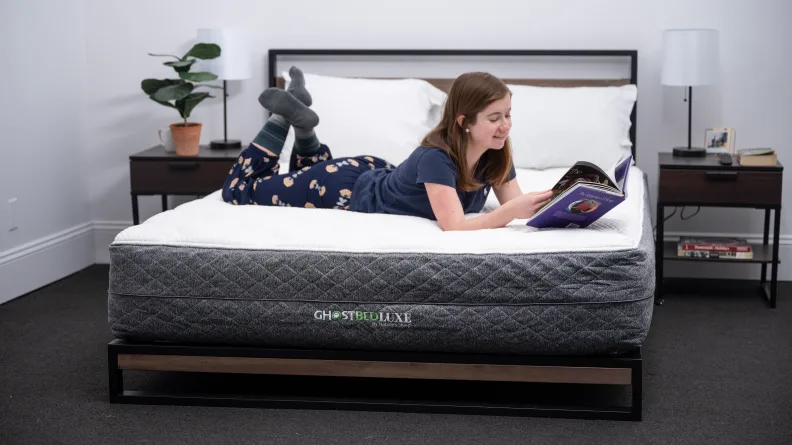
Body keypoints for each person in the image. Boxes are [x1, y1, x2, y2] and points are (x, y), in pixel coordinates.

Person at [222, 67, 553, 231]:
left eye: (508, 115)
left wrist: (566, 204)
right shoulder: (438, 159)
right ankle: (283, 116)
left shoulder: (495, 154)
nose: (505, 126)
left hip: (373, 170)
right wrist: (509, 213)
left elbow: (521, 207)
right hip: (344, 188)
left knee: (296, 180)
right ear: (464, 122)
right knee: (239, 190)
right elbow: (453, 226)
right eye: (495, 118)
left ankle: (304, 124)